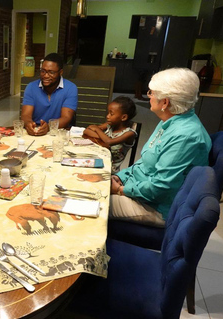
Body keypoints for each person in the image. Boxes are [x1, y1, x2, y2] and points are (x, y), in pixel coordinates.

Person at [110, 68, 211, 227]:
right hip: (141, 191)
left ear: (165, 102)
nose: (149, 96)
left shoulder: (184, 136)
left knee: (93, 204)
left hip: (156, 207)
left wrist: (120, 190)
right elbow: (144, 163)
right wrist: (121, 177)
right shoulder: (170, 119)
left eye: (151, 93)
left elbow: (159, 187)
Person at [21, 53, 78, 136]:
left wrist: (48, 127)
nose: (45, 76)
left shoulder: (70, 88)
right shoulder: (31, 87)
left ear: (60, 72)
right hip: (36, 130)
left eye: (51, 72)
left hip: (59, 132)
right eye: (43, 71)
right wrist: (29, 124)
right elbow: (26, 115)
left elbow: (66, 118)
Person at [83, 96, 137, 173]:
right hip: (97, 159)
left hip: (110, 170)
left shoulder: (129, 133)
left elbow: (109, 142)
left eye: (111, 114)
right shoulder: (110, 125)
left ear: (123, 117)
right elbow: (87, 131)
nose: (107, 116)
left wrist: (97, 130)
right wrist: (102, 137)